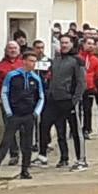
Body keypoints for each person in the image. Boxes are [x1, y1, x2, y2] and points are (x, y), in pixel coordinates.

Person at [0, 51, 44, 180]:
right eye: (31, 61)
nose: (33, 64)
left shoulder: (36, 78)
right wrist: (8, 111)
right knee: (6, 141)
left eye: (35, 61)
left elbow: (40, 97)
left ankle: (25, 169)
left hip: (29, 115)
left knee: (27, 144)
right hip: (14, 114)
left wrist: (36, 113)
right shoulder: (12, 76)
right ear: (24, 61)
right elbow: (4, 93)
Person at [36, 34, 87, 170]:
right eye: (62, 43)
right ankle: (47, 156)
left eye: (66, 43)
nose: (63, 45)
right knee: (46, 125)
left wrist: (74, 100)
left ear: (72, 44)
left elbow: (82, 83)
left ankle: (81, 160)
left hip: (68, 100)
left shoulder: (77, 60)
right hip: (53, 99)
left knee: (75, 130)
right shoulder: (56, 59)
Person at [0, 40, 24, 165]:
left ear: (19, 50)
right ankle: (14, 154)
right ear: (6, 50)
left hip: (23, 102)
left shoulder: (24, 64)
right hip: (7, 102)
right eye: (10, 48)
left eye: (15, 48)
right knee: (10, 129)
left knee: (25, 129)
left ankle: (26, 154)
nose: (12, 50)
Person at [77, 36, 98, 144]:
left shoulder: (95, 60)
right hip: (78, 87)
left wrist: (95, 85)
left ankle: (87, 128)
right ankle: (76, 128)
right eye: (88, 43)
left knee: (87, 109)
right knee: (77, 109)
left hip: (90, 87)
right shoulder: (77, 57)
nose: (91, 46)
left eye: (92, 44)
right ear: (83, 45)